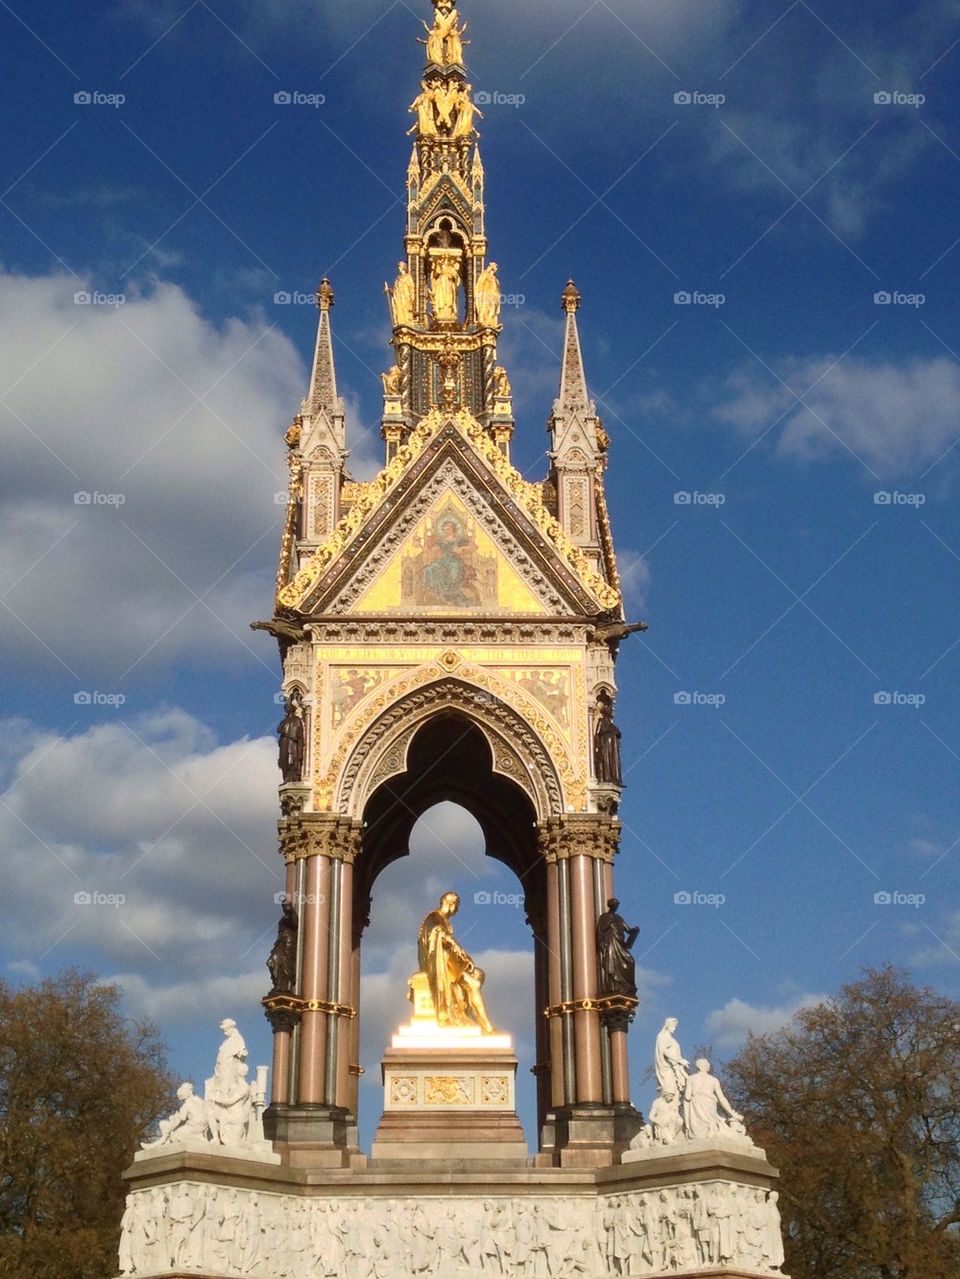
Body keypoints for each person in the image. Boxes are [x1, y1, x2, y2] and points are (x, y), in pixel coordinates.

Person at [417, 891, 495, 1032]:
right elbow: (438, 934)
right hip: (440, 965)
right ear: (451, 904)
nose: (457, 910)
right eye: (457, 906)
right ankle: (487, 1026)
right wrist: (457, 947)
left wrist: (463, 957)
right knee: (473, 984)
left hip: (448, 963)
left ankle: (467, 1011)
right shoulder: (434, 917)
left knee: (478, 974)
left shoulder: (442, 919)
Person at [683, 1058, 744, 1140]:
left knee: (698, 1132)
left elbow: (687, 1096)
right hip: (709, 1104)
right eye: (708, 1065)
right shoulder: (714, 1080)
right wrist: (732, 1113)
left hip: (696, 1105)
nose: (709, 1066)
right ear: (705, 1066)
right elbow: (721, 1098)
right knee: (711, 1127)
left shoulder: (691, 1078)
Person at [596, 897, 639, 997]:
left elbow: (628, 930)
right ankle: (613, 986)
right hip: (611, 943)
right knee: (613, 964)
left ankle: (626, 986)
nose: (616, 907)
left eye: (617, 905)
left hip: (620, 943)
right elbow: (601, 931)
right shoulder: (605, 917)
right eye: (615, 905)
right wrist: (603, 944)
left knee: (630, 961)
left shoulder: (619, 918)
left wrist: (635, 931)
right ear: (611, 906)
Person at [266, 896, 298, 994]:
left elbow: (295, 924)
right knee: (271, 962)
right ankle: (277, 984)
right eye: (283, 907)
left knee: (286, 966)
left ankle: (285, 987)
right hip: (280, 943)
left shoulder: (291, 916)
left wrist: (290, 909)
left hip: (288, 943)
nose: (284, 908)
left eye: (285, 906)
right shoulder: (283, 918)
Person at [654, 1017, 689, 1097]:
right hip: (667, 1068)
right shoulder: (663, 1037)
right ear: (667, 1026)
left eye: (675, 1027)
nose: (674, 1029)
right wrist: (679, 1060)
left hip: (673, 1067)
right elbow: (664, 1051)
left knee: (675, 1089)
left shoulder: (670, 1039)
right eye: (673, 1027)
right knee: (670, 1089)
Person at [594, 695, 623, 785]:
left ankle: (614, 778)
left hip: (612, 746)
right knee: (606, 761)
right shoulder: (601, 721)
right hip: (605, 745)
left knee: (612, 762)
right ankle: (606, 777)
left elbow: (618, 733)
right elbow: (597, 734)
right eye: (610, 711)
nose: (611, 712)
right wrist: (598, 746)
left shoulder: (612, 726)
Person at [277, 692, 304, 784]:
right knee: (285, 762)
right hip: (285, 742)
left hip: (292, 743)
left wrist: (294, 736)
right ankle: (287, 778)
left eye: (288, 708)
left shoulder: (297, 719)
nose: (287, 710)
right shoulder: (284, 721)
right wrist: (284, 731)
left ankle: (294, 777)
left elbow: (299, 734)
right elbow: (279, 729)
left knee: (293, 760)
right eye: (286, 708)